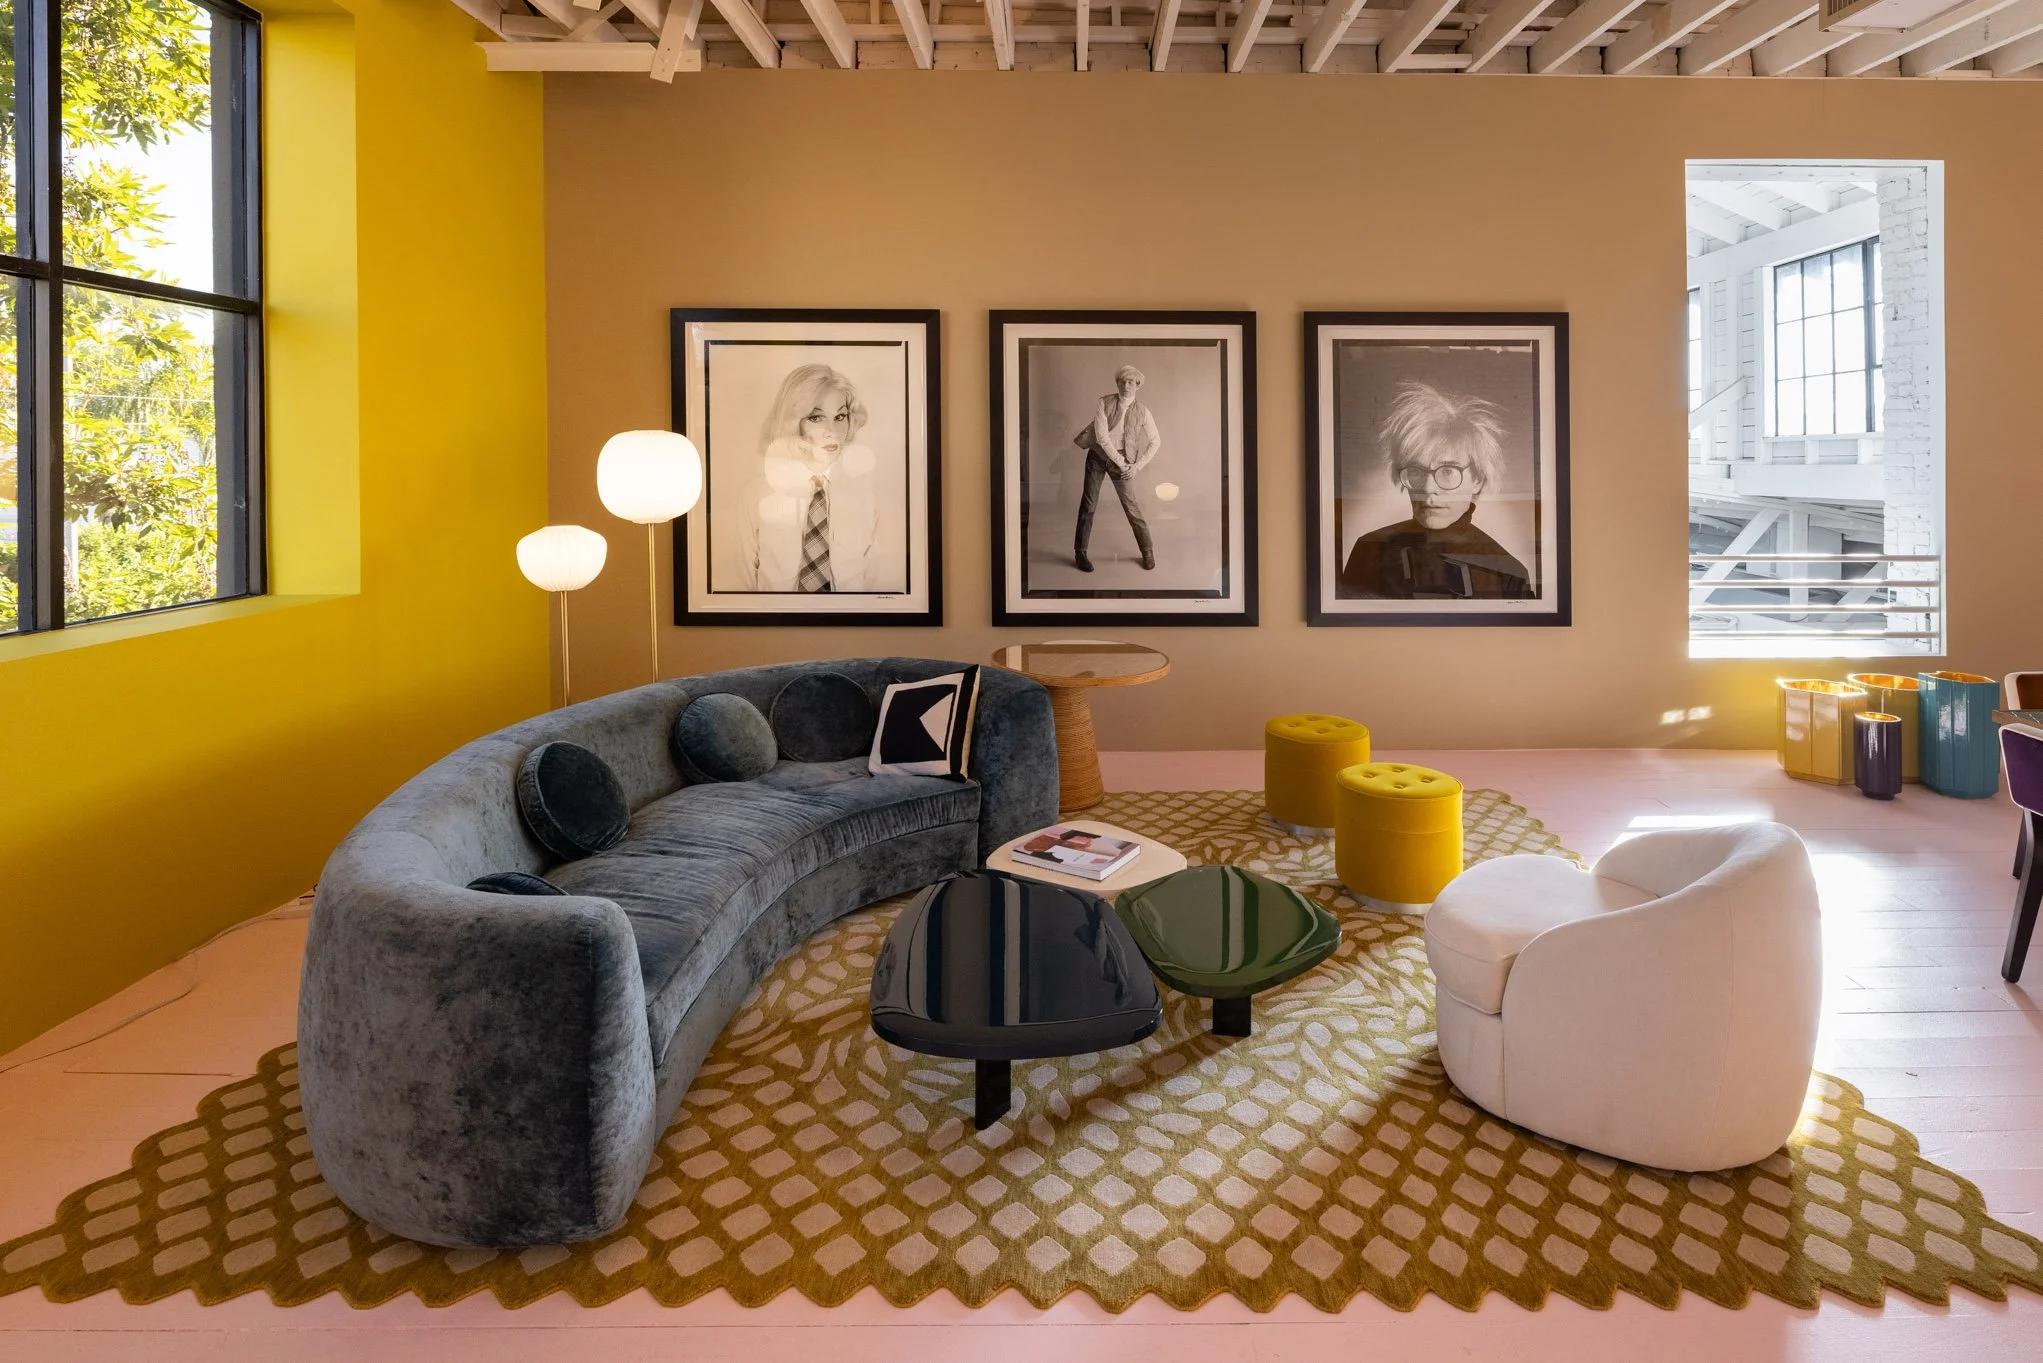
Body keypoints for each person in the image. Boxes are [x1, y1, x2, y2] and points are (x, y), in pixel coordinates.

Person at [1338, 380, 1531, 600]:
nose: (1429, 489)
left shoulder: (1509, 573)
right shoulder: (1370, 552)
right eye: (1416, 471)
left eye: (1448, 471)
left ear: (1477, 479)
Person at [731, 364, 896, 593]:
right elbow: (741, 585)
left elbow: (879, 586)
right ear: (792, 422)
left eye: (840, 416)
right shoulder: (756, 495)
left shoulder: (869, 495)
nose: (832, 430)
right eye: (816, 418)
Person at [1071, 363, 1159, 573]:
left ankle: (1147, 551)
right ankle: (1080, 553)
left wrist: (1136, 467)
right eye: (1122, 381)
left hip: (1127, 462)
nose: (1126, 385)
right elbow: (1101, 438)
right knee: (1088, 505)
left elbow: (1155, 441)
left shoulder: (1144, 412)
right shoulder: (1104, 403)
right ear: (1117, 383)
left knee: (1131, 508)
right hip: (1098, 458)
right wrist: (1122, 464)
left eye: (1131, 382)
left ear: (1138, 385)